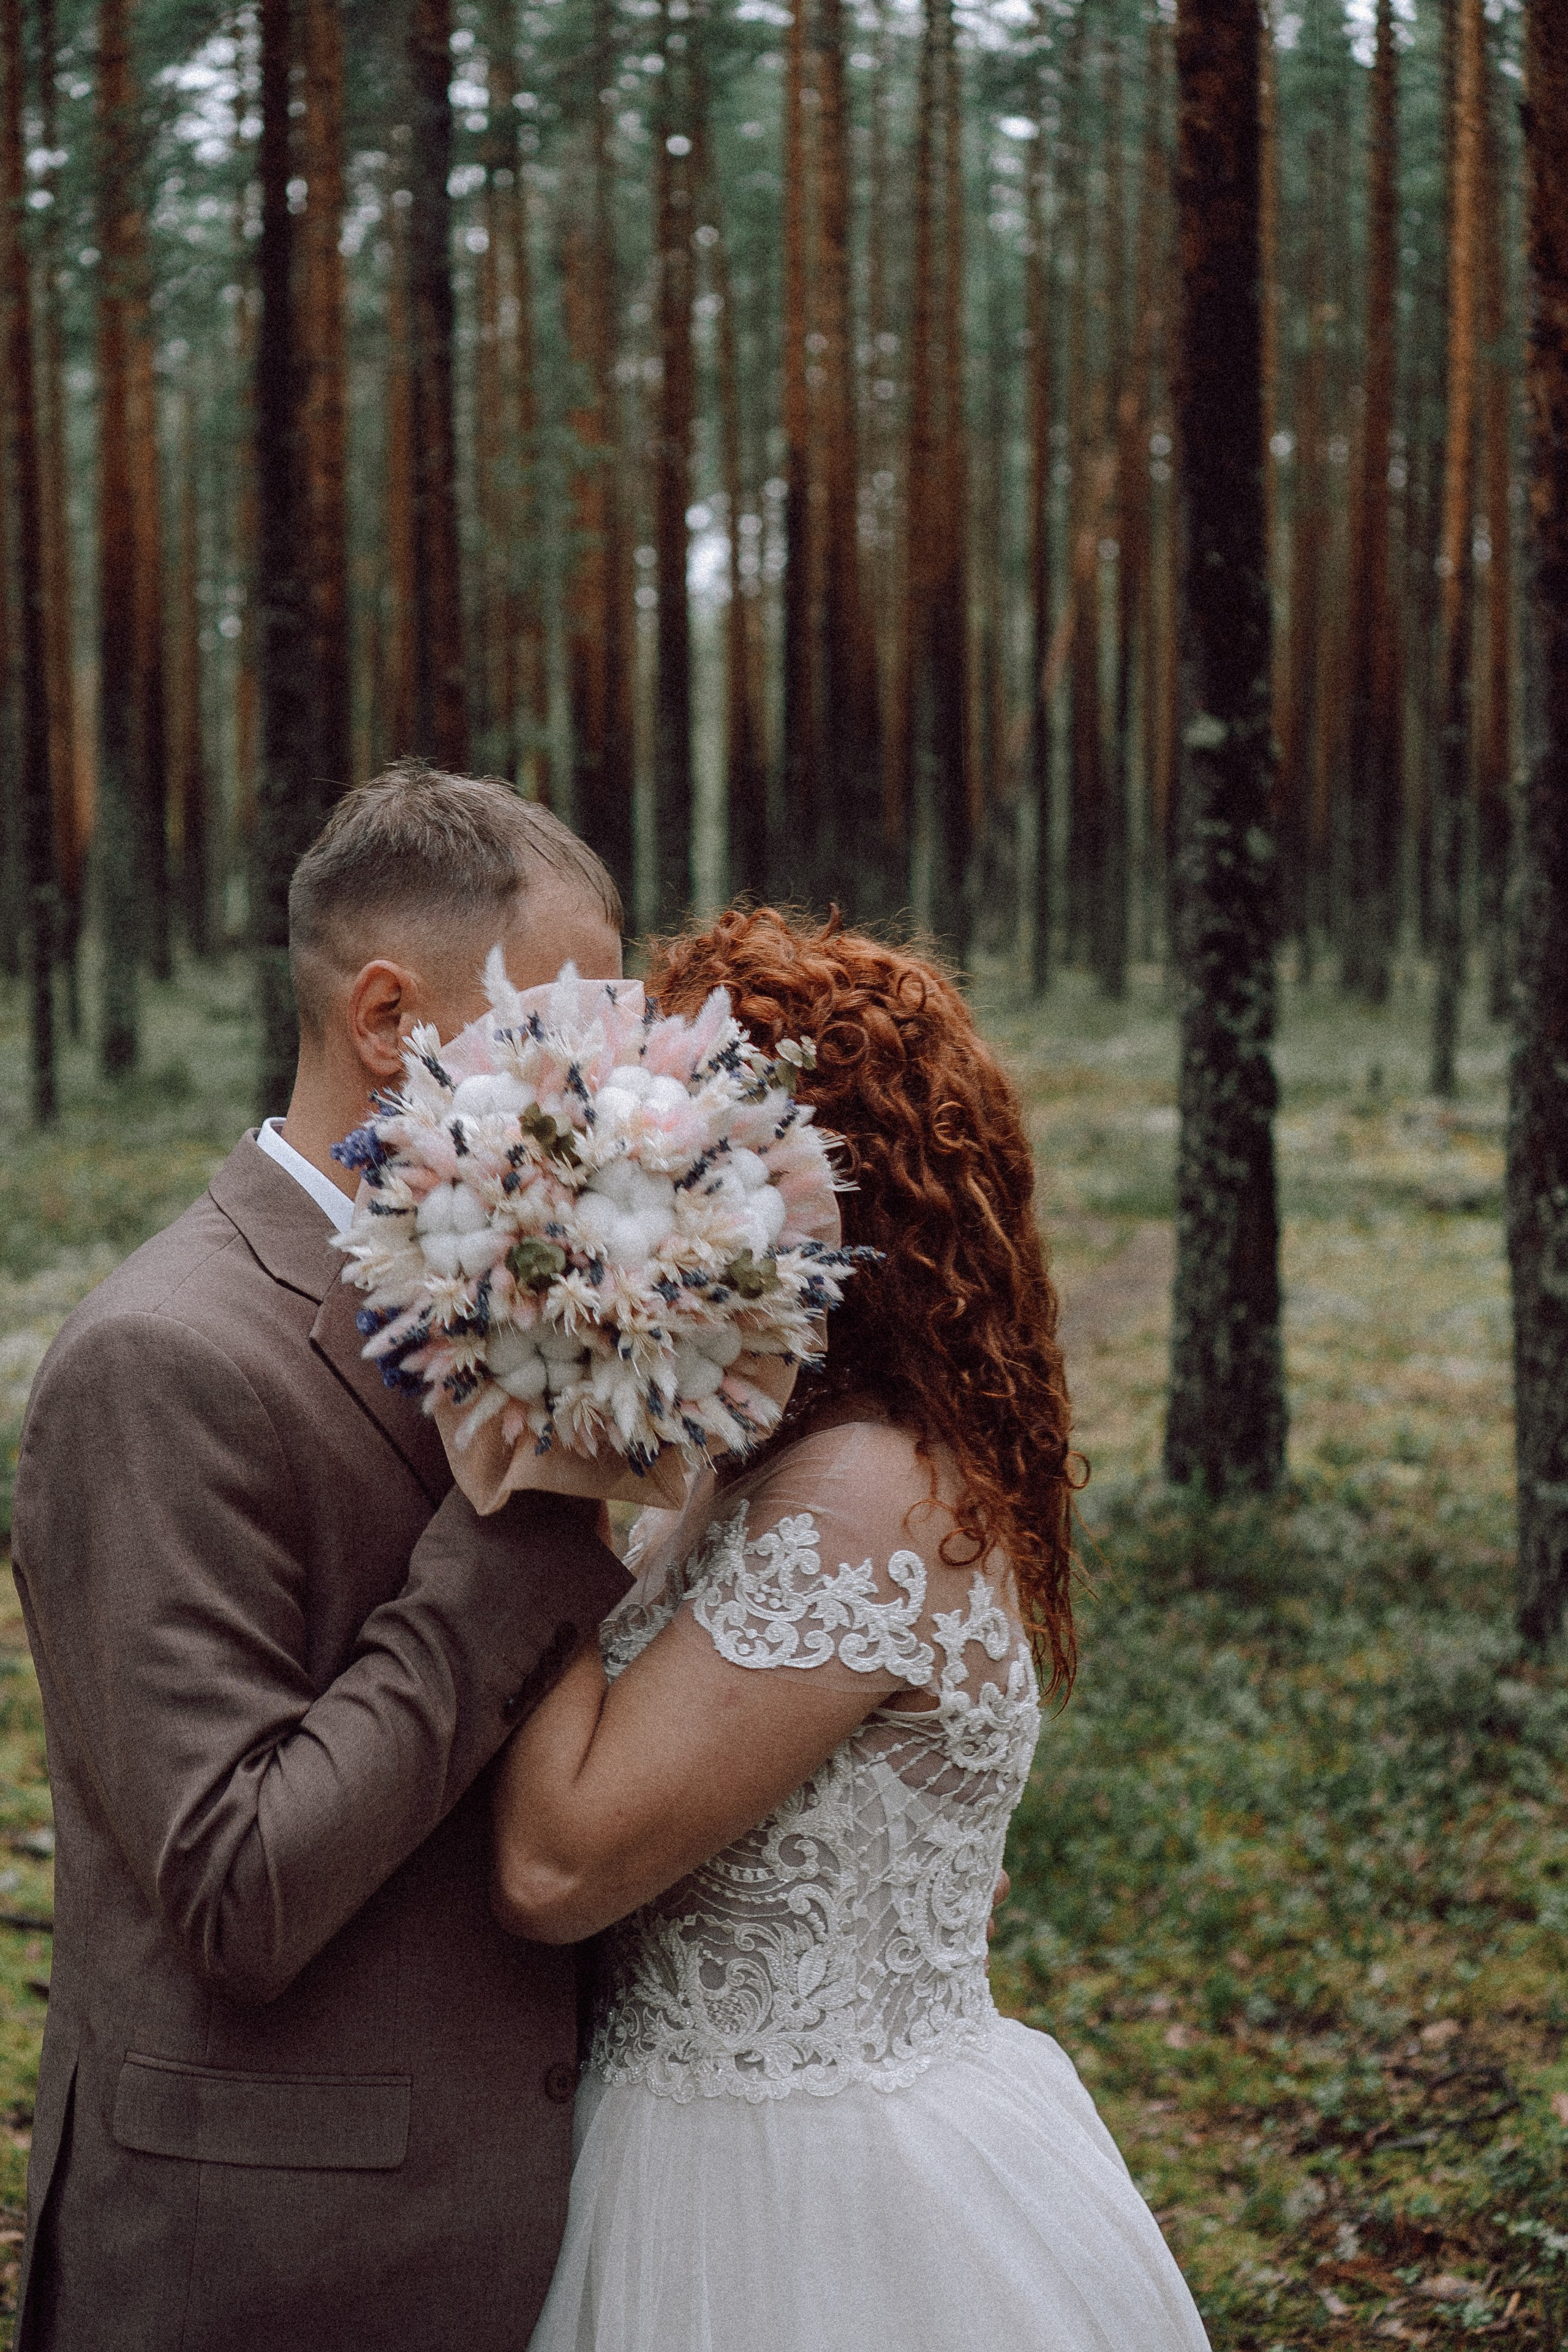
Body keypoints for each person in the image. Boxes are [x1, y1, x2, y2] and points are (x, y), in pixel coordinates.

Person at [492, 907, 1212, 2352]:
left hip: (796, 2196)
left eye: (696, 1167)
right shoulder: (757, 1460)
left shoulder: (869, 1494)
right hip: (684, 2133)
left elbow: (554, 1863)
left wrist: (546, 1458)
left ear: (829, 1205)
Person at [9, 764, 631, 2351]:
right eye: (565, 1037)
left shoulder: (515, 1299)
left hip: (527, 2229)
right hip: (264, 2269)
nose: (605, 1098)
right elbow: (238, 1888)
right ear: (388, 1021)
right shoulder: (161, 1359)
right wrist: (531, 1524)